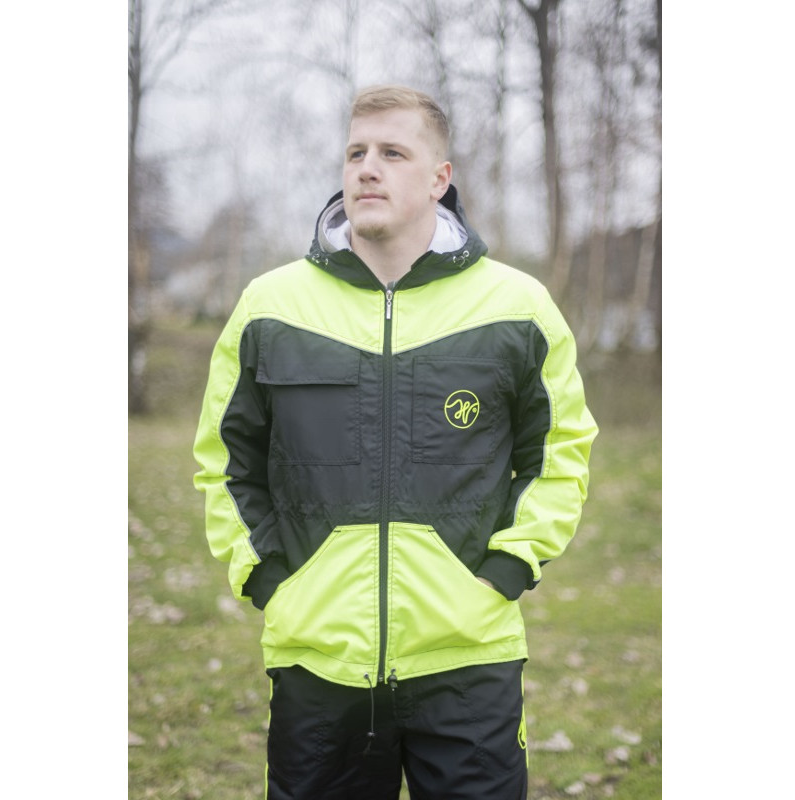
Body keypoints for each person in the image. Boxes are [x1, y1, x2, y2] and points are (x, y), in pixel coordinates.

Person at [193, 84, 597, 799]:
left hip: (468, 657)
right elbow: (225, 461)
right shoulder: (270, 307)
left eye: (392, 153)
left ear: (440, 178)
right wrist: (268, 579)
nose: (367, 168)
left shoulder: (515, 307)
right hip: (317, 660)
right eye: (355, 153)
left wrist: (509, 567)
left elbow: (559, 452)